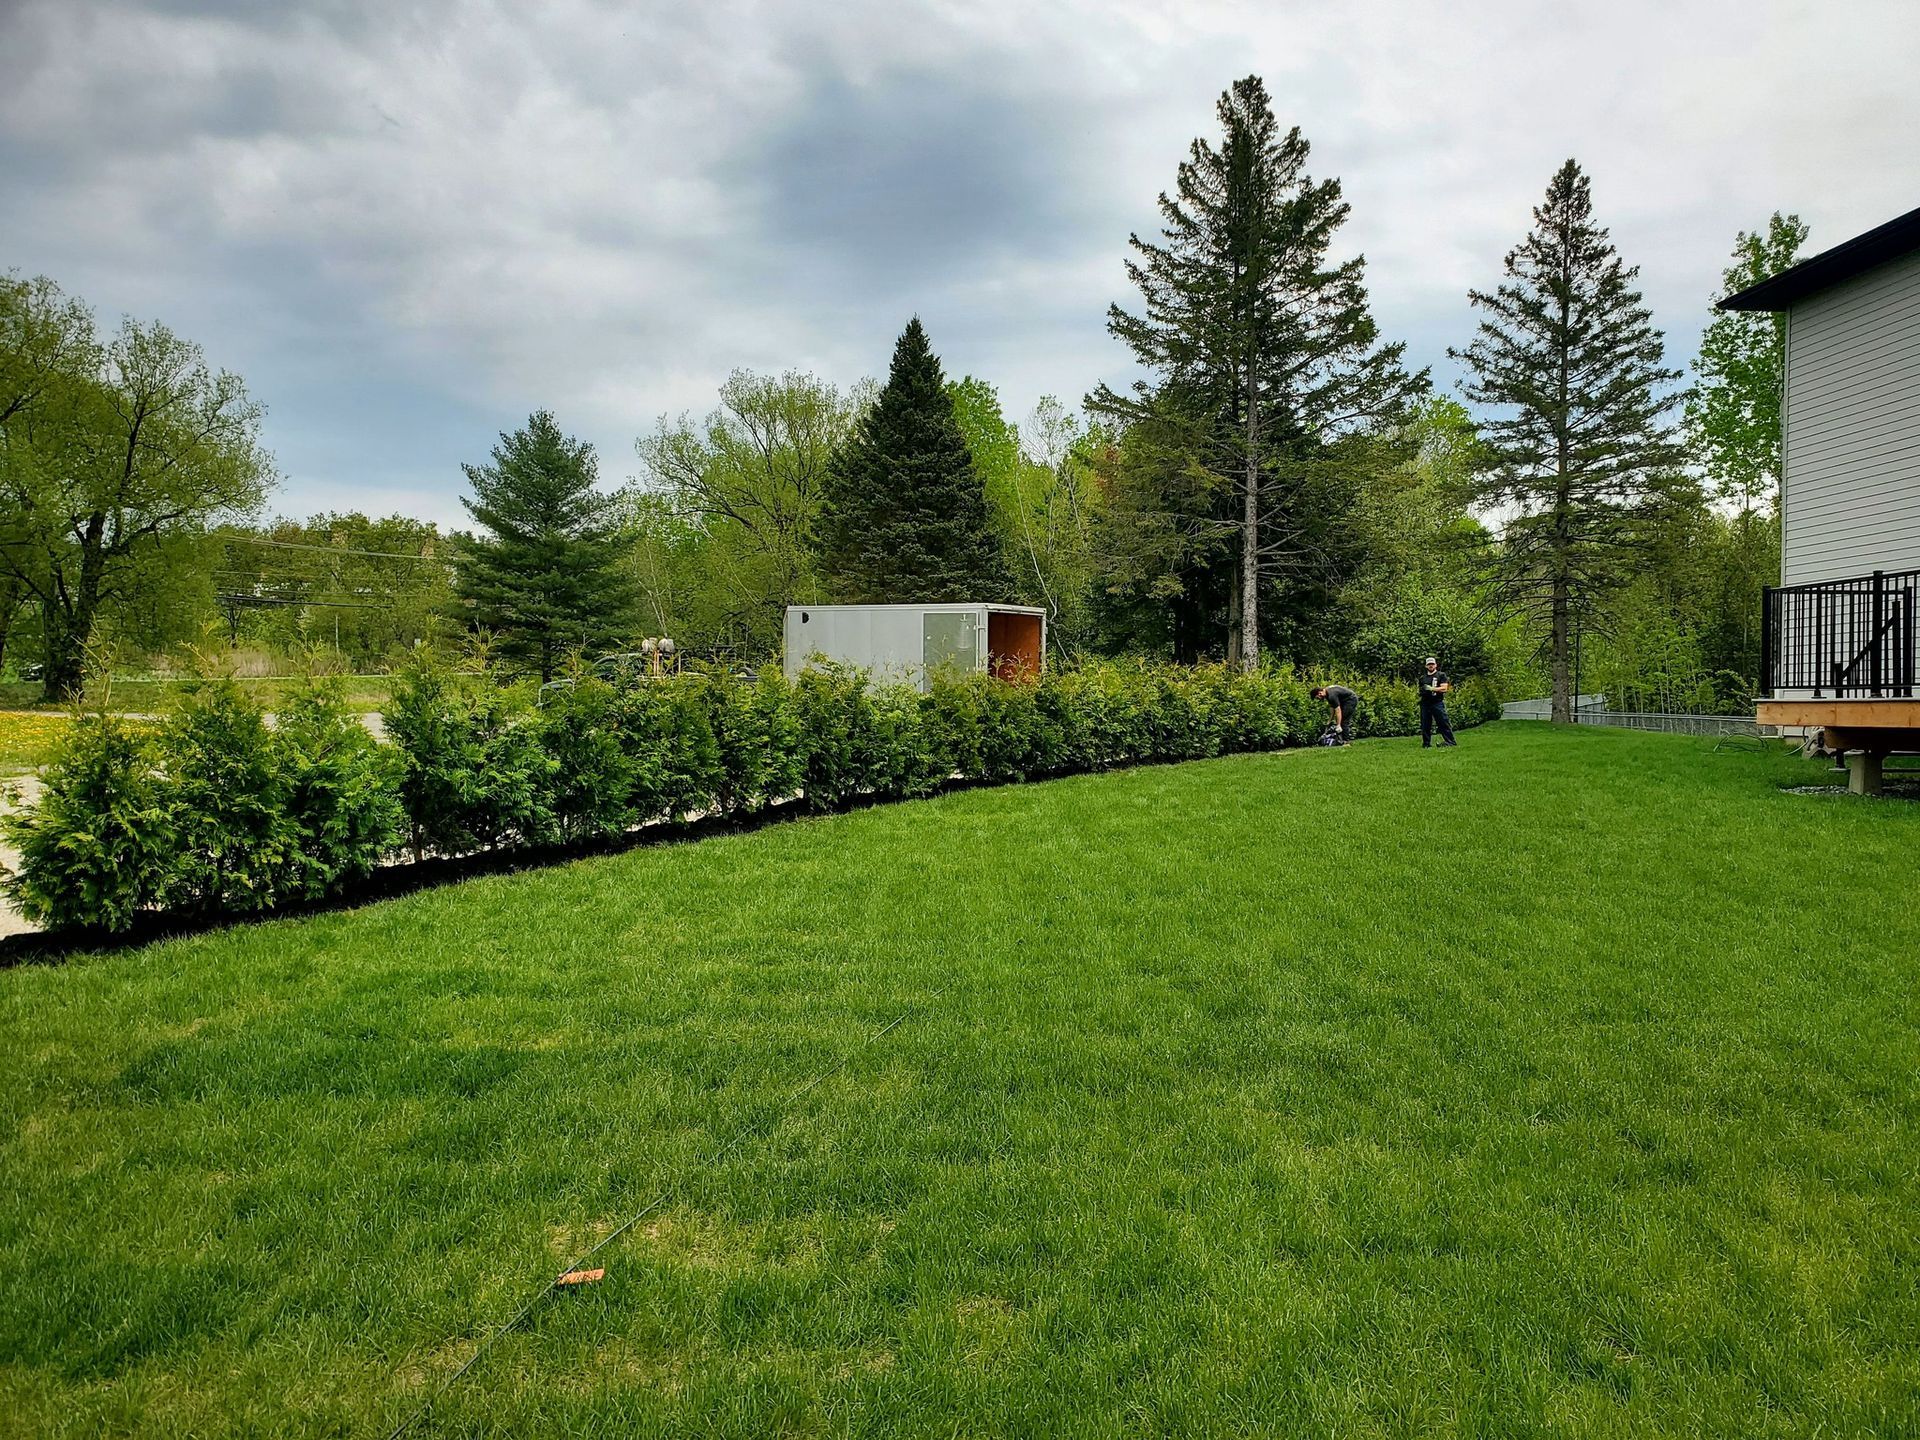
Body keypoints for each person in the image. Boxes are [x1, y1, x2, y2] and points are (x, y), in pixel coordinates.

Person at [1419, 656, 1457, 747]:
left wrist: (1432, 689)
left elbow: (1444, 688)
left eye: (1432, 664)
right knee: (1425, 724)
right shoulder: (1422, 678)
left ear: (1436, 665)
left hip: (1437, 703)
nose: (1431, 666)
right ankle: (1426, 744)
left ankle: (1450, 741)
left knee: (1443, 722)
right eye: (1429, 664)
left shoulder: (1441, 675)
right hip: (1425, 704)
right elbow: (1420, 690)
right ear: (1426, 666)